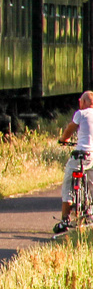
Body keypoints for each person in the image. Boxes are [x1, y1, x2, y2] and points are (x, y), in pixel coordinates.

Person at [56, 91, 93, 233]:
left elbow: (70, 128)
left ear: (83, 102)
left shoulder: (80, 114)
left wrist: (63, 139)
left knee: (68, 183)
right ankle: (89, 212)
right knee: (90, 184)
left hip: (80, 155)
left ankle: (65, 219)